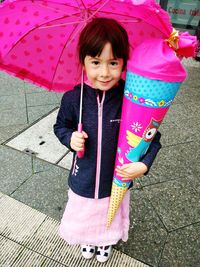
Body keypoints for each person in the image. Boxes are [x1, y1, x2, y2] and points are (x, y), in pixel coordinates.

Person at [54, 17, 162, 263]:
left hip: (116, 181)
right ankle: (89, 239)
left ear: (124, 62)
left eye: (113, 62)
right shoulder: (73, 99)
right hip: (82, 177)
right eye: (95, 62)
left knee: (109, 215)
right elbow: (60, 126)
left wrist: (144, 164)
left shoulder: (132, 99)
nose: (104, 73)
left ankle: (106, 241)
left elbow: (152, 137)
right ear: (83, 61)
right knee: (85, 214)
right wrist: (69, 138)